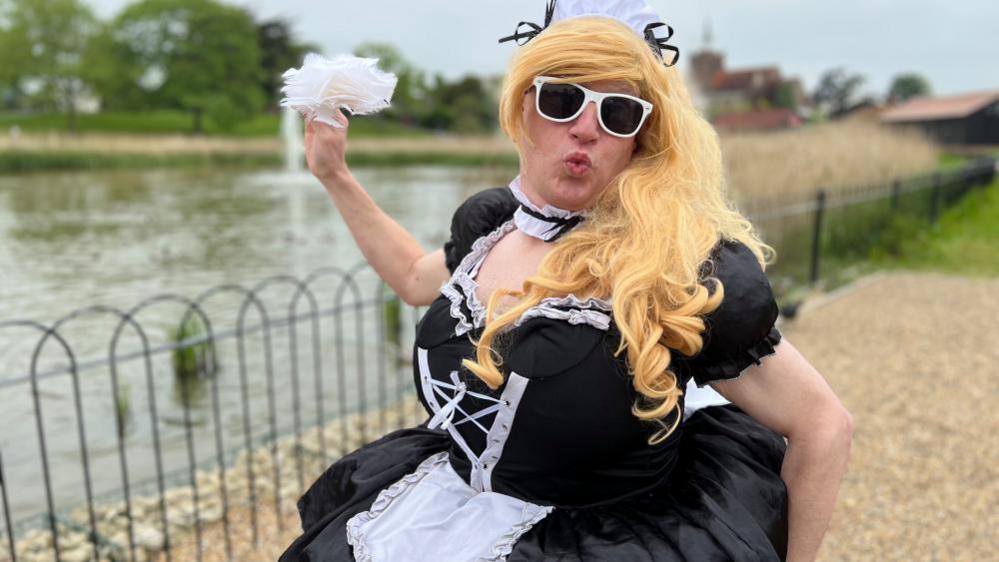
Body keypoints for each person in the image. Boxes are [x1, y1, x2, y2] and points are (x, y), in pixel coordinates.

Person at [281, 1, 853, 560]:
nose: (585, 129)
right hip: (437, 515)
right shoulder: (491, 225)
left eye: (618, 113)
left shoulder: (680, 265)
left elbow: (822, 425)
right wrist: (334, 174)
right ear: (522, 108)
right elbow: (411, 278)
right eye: (562, 99)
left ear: (641, 137)